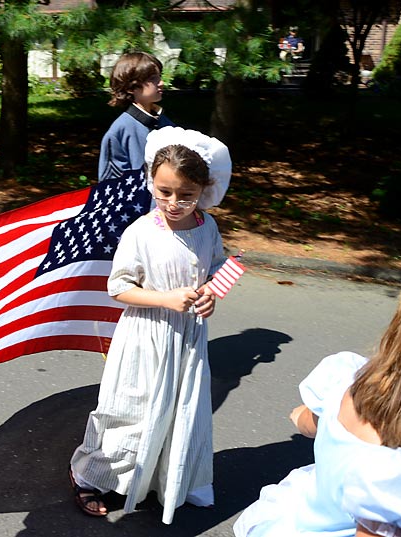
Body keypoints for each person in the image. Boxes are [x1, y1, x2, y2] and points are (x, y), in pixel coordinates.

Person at [70, 126, 232, 524]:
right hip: (145, 335)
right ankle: (89, 474)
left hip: (188, 338)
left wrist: (211, 294)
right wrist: (165, 298)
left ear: (204, 190)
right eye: (163, 191)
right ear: (151, 182)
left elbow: (214, 269)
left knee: (180, 410)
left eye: (185, 195)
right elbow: (118, 287)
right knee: (128, 409)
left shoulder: (207, 227)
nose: (173, 203)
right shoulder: (141, 231)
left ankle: (164, 478)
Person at [234, 254, 401, 537]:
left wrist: (302, 416)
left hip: (298, 520)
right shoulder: (396, 471)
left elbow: (307, 421)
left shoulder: (345, 379)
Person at [98, 51, 176, 182]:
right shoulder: (120, 131)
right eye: (152, 78)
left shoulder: (167, 124)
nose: (161, 82)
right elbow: (111, 185)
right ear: (131, 87)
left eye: (159, 76)